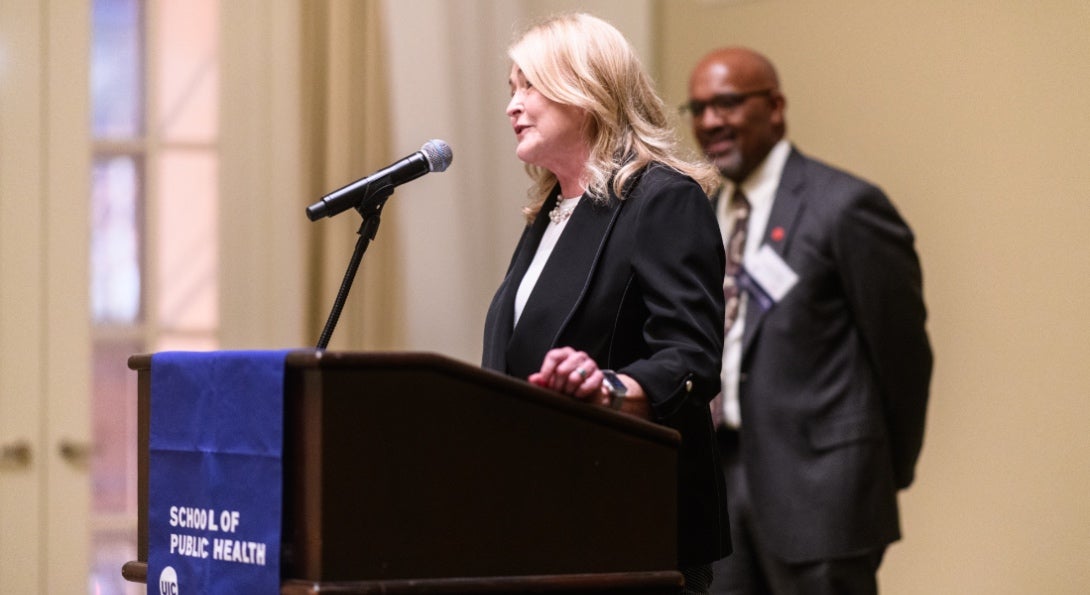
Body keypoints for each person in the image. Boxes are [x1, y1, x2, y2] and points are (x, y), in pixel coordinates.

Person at [482, 13, 732, 594]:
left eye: (530, 86)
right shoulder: (550, 216)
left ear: (586, 91)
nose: (513, 105)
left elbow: (692, 357)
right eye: (510, 89)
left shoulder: (663, 199)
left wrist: (612, 388)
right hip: (540, 518)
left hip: (629, 520)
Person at [684, 47, 933, 595]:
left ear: (775, 107)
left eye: (726, 104)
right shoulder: (700, 215)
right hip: (718, 483)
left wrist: (882, 472)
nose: (709, 122)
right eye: (697, 109)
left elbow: (903, 356)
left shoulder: (844, 207)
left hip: (823, 492)